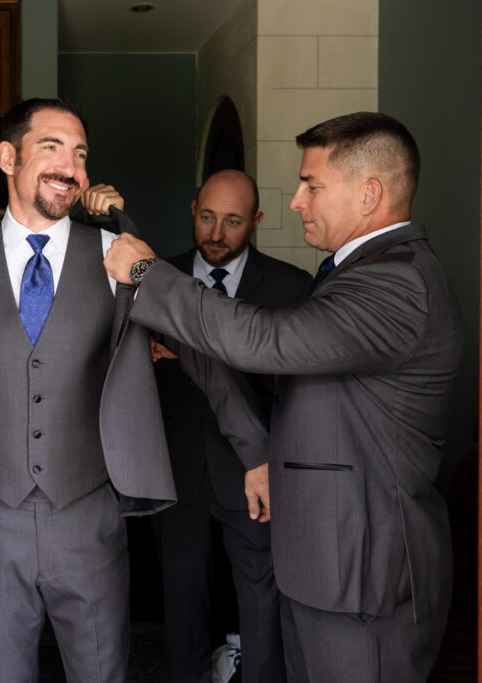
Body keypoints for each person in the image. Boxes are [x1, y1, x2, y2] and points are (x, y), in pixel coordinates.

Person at [0, 98, 264, 681]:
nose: (71, 166)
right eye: (52, 148)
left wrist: (255, 450)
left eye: (81, 153)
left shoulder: (116, 255)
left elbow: (199, 353)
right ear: (7, 157)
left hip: (89, 515)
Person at [105, 112, 463, 682]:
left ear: (369, 194)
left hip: (361, 576)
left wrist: (148, 273)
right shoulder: (353, 271)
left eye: (312, 186)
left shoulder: (397, 281)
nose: (297, 200)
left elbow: (266, 341)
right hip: (328, 562)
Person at [152, 170, 310, 682]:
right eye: (207, 217)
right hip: (175, 466)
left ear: (257, 221)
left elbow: (294, 391)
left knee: (262, 599)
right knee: (180, 600)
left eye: (233, 221)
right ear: (193, 207)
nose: (216, 233)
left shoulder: (291, 287)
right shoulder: (155, 278)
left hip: (254, 470)